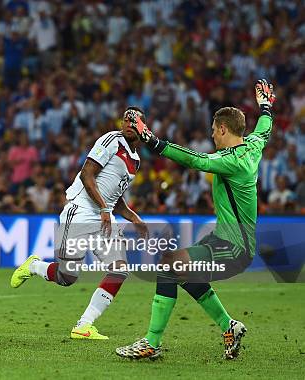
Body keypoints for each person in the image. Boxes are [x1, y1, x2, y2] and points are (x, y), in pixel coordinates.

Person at [116, 80, 276, 360]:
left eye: (214, 130)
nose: (212, 135)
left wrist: (154, 141)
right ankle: (230, 326)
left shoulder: (233, 161)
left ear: (223, 129)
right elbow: (264, 127)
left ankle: (151, 343)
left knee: (169, 264)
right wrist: (265, 107)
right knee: (183, 272)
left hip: (234, 247)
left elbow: (198, 161)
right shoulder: (253, 145)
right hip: (226, 241)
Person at [10, 107, 149, 340]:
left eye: (133, 120)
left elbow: (114, 195)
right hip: (81, 211)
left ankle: (84, 325)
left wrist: (133, 217)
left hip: (104, 218)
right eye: (125, 118)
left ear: (143, 125)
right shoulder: (111, 140)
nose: (127, 122)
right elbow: (87, 175)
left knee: (120, 270)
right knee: (67, 277)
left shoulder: (135, 160)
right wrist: (104, 208)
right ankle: (34, 266)